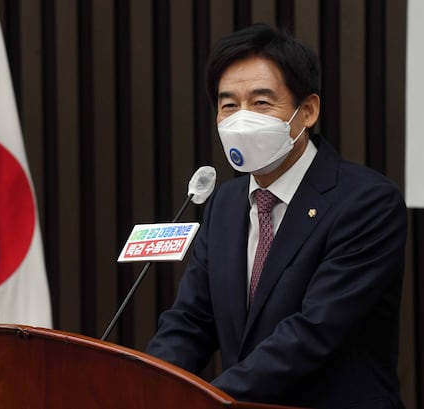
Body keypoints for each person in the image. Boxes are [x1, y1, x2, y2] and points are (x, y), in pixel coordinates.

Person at [146, 23, 407, 409]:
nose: (242, 119)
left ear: (308, 111)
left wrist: (207, 401)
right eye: (228, 105)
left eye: (261, 103)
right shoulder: (225, 203)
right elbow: (191, 321)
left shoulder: (367, 203)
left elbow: (313, 333)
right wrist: (145, 388)